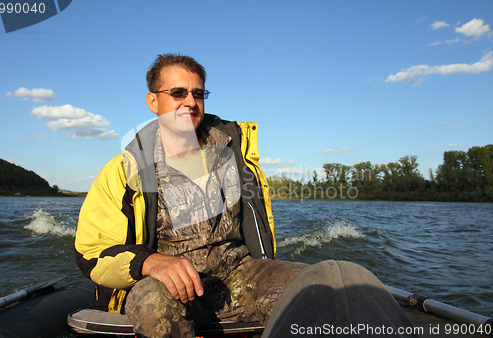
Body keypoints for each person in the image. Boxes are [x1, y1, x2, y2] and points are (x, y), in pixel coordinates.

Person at [75, 53, 418, 338]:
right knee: (152, 303)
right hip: (168, 285)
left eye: (198, 93)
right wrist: (149, 262)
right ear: (153, 101)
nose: (190, 103)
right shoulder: (124, 168)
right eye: (178, 93)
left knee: (325, 286)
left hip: (241, 274)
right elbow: (91, 252)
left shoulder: (233, 151)